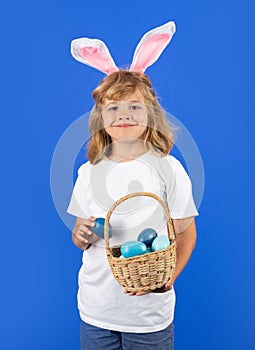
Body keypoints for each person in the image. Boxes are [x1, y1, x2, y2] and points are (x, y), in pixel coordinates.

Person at [67, 22, 198, 350]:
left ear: (151, 113)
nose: (123, 115)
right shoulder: (89, 171)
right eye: (113, 108)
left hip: (148, 315)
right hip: (97, 310)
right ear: (101, 118)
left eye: (134, 107)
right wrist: (81, 234)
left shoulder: (168, 168)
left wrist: (169, 277)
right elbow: (81, 232)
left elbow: (186, 231)